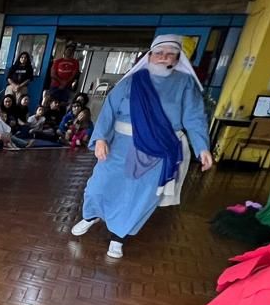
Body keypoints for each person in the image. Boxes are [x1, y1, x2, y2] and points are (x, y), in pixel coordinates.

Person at [72, 35, 213, 258]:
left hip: (159, 149)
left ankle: (119, 237)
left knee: (139, 195)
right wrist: (100, 138)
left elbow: (194, 117)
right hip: (120, 145)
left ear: (177, 59)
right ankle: (91, 215)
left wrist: (202, 147)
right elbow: (109, 109)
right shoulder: (132, 80)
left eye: (170, 54)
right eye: (159, 53)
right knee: (100, 184)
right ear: (149, 55)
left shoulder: (185, 84)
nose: (163, 58)